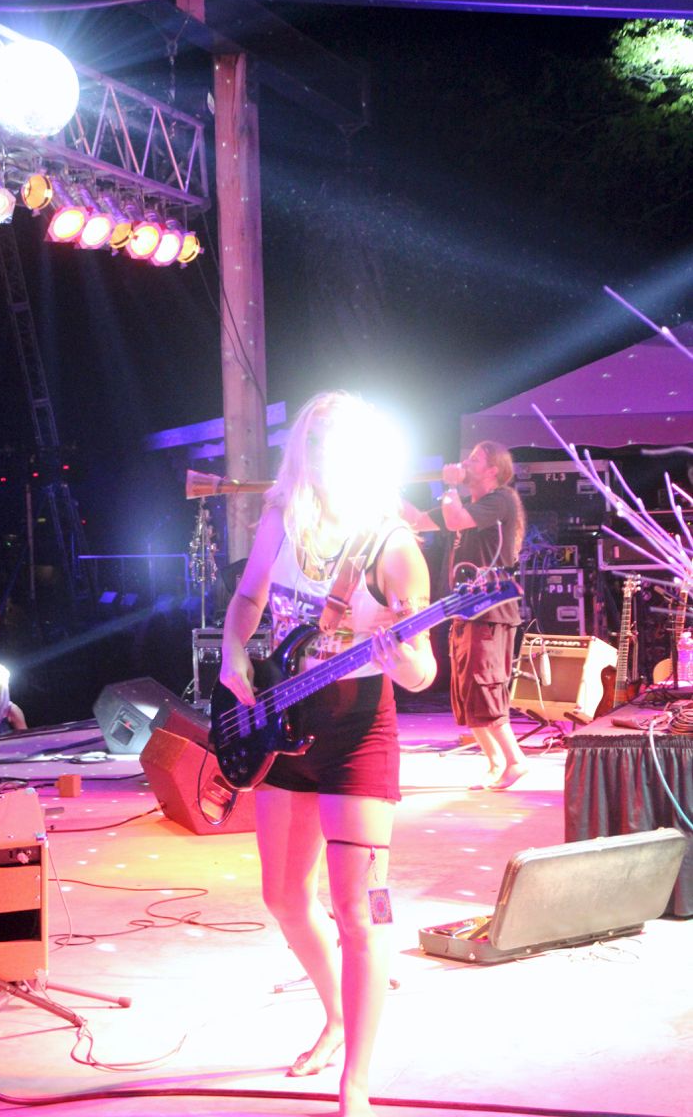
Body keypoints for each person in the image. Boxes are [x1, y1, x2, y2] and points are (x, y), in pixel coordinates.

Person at [220, 392, 436, 1117]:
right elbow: (248, 599)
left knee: (360, 912)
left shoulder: (392, 545)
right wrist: (233, 650)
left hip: (357, 731)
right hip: (281, 718)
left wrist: (400, 654)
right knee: (283, 898)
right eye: (313, 443)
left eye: (337, 445)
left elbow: (422, 672)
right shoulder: (281, 519)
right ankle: (336, 1015)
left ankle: (356, 1081)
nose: (323, 457)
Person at [402, 440, 526, 790]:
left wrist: (451, 486)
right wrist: (387, 494)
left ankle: (515, 760)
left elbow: (454, 517)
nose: (465, 463)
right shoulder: (464, 505)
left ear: (493, 470)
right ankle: (495, 761)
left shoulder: (500, 499)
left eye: (475, 459)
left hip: (490, 609)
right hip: (464, 608)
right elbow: (417, 521)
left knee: (484, 686)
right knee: (466, 691)